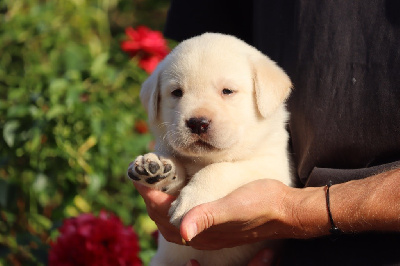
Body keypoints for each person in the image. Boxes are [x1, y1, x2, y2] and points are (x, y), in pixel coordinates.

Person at [134, 0, 400, 265]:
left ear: (267, 95)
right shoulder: (211, 48)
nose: (198, 117)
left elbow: (271, 180)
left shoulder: (268, 151)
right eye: (176, 92)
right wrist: (167, 174)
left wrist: (212, 180)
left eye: (227, 91)